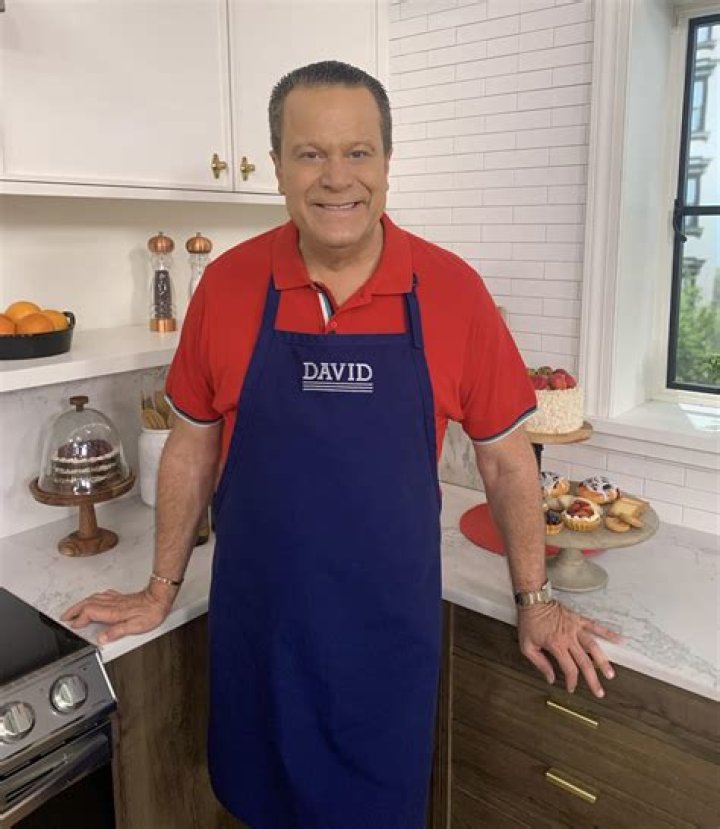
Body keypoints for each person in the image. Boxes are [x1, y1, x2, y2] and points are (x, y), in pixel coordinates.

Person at [63, 60, 621, 829]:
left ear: (387, 162)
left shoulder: (453, 291)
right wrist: (161, 586)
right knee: (257, 806)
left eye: (358, 151)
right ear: (276, 167)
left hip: (385, 639)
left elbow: (504, 459)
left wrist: (537, 599)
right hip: (260, 628)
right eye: (310, 153)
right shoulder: (227, 286)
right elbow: (192, 446)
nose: (336, 178)